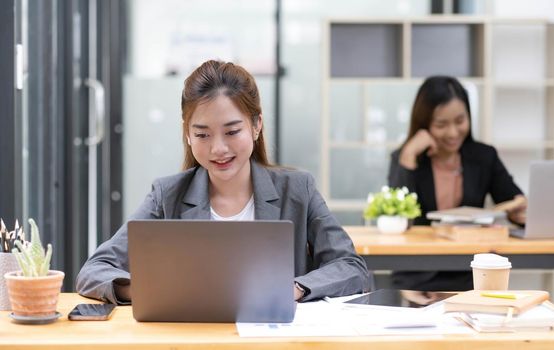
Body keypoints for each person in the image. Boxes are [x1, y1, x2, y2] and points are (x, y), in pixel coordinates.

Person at [76, 60, 370, 304]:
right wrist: (152, 290)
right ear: (187, 134)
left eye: (232, 132)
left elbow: (351, 268)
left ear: (256, 126)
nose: (218, 148)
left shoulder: (298, 190)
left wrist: (294, 288)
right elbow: (94, 271)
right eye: (202, 134)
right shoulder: (167, 196)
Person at [387, 76, 526, 305]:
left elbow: (512, 199)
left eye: (460, 121)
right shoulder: (406, 158)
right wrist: (408, 157)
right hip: (416, 278)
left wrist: (518, 211)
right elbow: (397, 218)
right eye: (441, 125)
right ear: (424, 124)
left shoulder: (483, 156)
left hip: (469, 274)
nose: (453, 133)